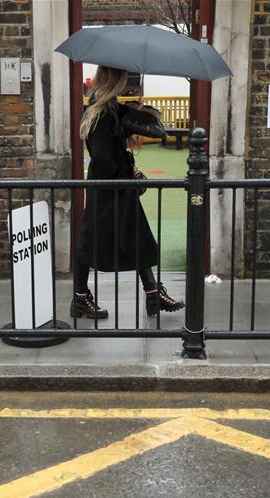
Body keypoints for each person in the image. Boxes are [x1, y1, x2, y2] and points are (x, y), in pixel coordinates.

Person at [72, 65, 185, 319]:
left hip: (115, 186)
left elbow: (155, 128)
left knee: (136, 235)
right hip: (108, 187)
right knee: (89, 241)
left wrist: (138, 111)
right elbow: (102, 158)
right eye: (122, 78)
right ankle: (80, 298)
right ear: (116, 79)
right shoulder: (101, 112)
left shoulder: (110, 108)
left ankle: (154, 292)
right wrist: (126, 174)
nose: (125, 82)